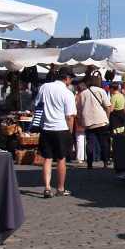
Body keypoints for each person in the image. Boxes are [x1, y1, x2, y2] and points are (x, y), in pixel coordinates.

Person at [35, 68, 77, 198]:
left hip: (46, 128)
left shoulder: (44, 87)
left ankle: (47, 187)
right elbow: (70, 116)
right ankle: (60, 188)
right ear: (67, 78)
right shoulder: (67, 93)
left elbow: (37, 105)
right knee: (61, 159)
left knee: (47, 158)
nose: (71, 82)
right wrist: (70, 132)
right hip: (61, 128)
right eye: (71, 79)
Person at [76, 73, 112, 169]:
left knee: (90, 144)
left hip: (88, 122)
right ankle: (105, 162)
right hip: (101, 121)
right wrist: (107, 118)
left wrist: (80, 121)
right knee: (103, 143)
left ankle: (89, 164)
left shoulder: (82, 94)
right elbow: (108, 107)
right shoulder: (101, 91)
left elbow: (78, 110)